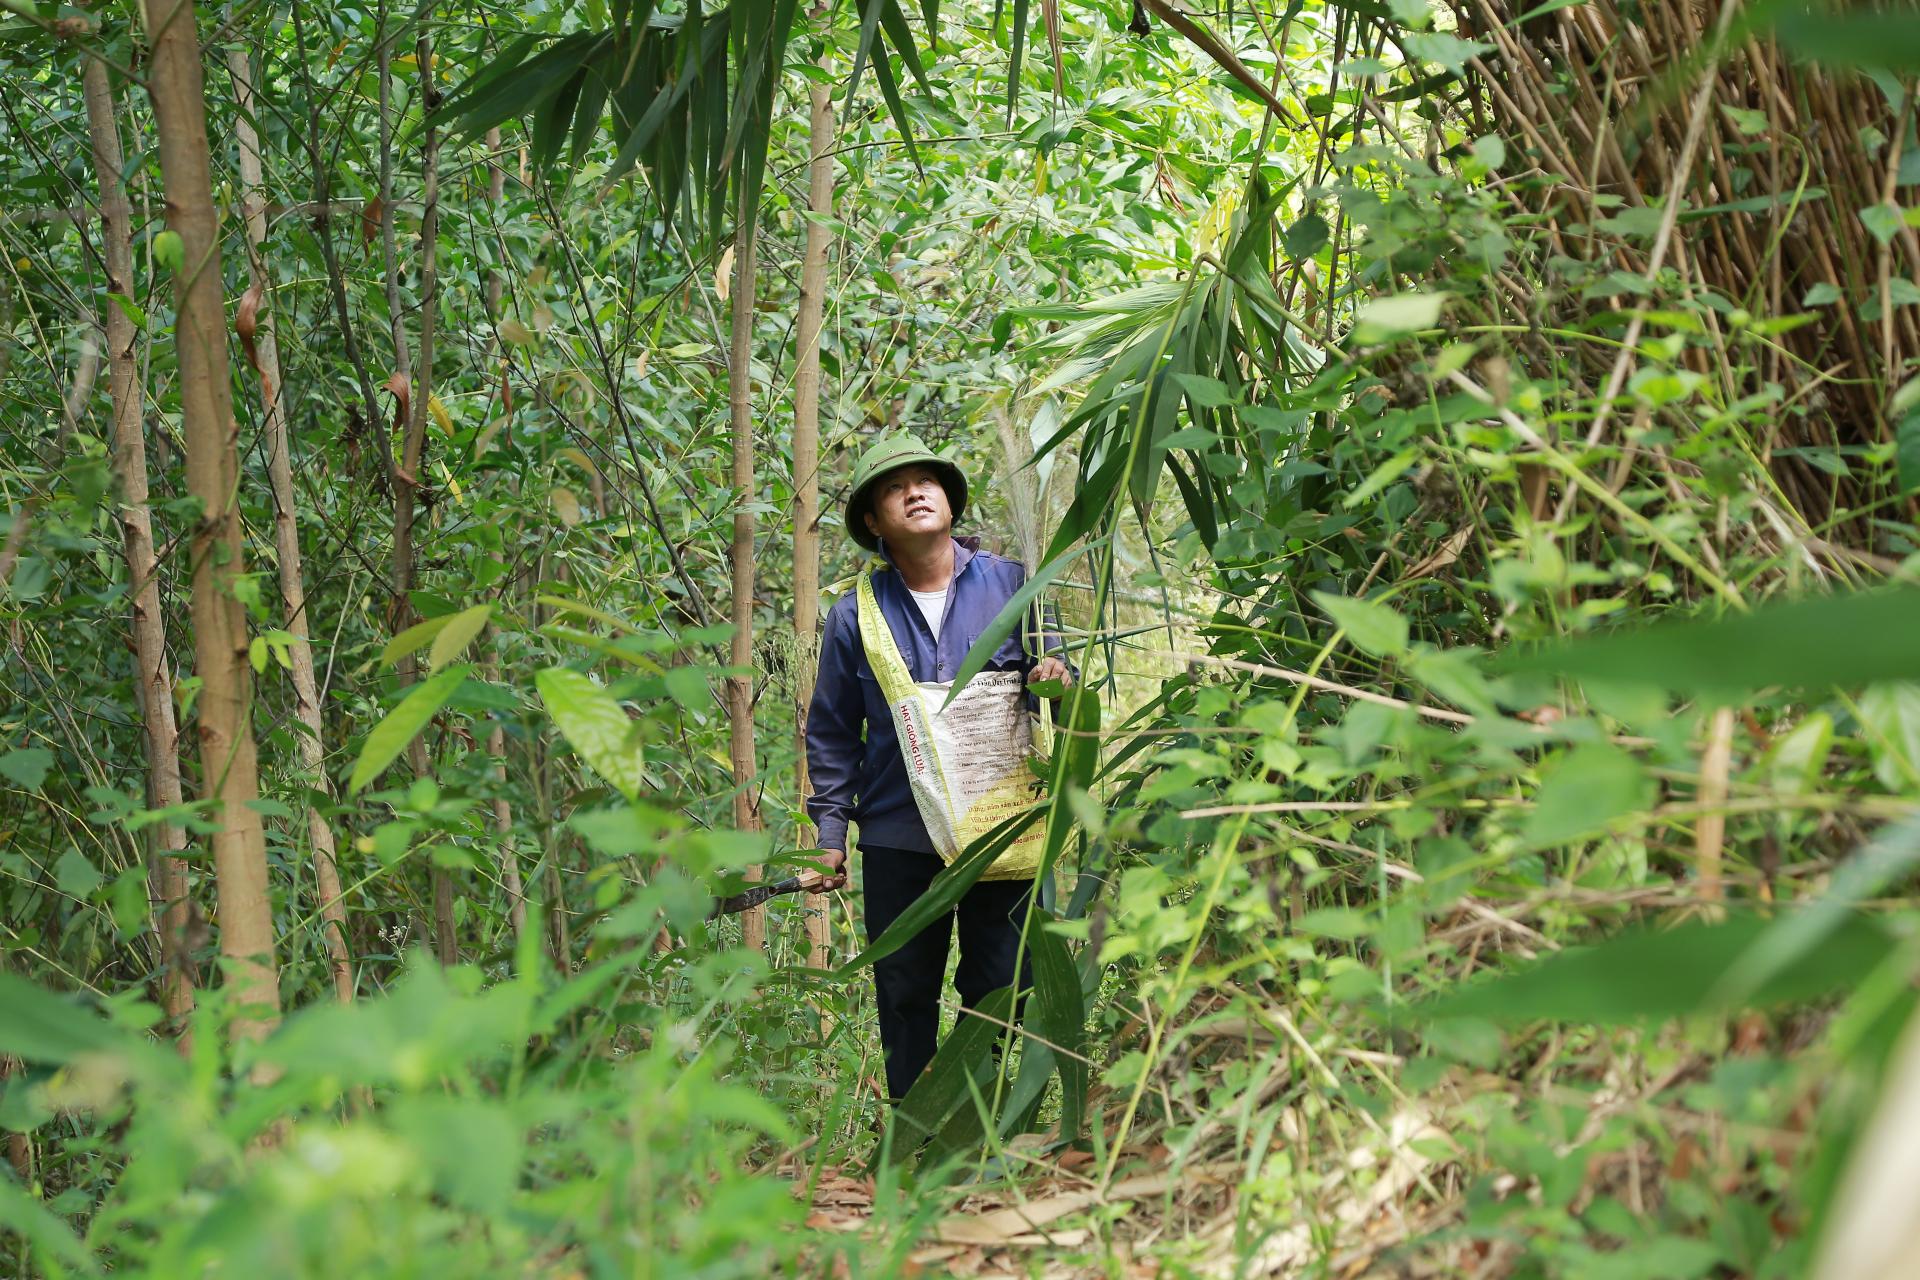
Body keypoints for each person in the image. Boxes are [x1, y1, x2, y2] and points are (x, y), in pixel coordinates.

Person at [802, 433, 1073, 1103]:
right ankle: (914, 1132)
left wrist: (1057, 680)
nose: (914, 492)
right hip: (899, 836)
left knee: (1008, 980)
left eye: (926, 481)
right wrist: (829, 838)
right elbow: (834, 735)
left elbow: (1069, 686)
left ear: (949, 498)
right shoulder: (852, 618)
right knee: (903, 991)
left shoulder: (1016, 585)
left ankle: (980, 1118)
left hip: (1002, 832)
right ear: (873, 521)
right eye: (894, 487)